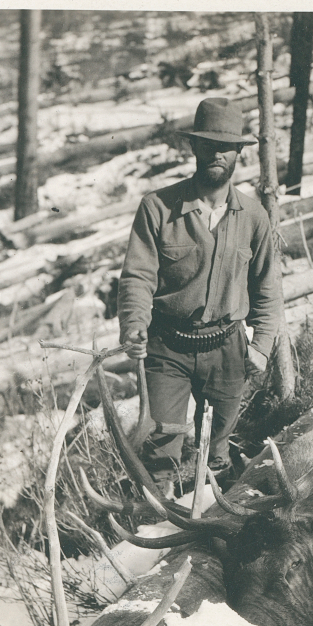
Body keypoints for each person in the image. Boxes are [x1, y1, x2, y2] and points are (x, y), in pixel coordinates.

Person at [118, 97, 283, 483]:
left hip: (227, 350)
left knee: (218, 455)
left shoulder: (254, 217)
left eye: (226, 147)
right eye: (208, 144)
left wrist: (261, 347)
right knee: (160, 454)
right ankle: (154, 539)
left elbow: (267, 288)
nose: (216, 154)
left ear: (239, 153)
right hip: (167, 348)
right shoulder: (157, 208)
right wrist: (133, 326)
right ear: (193, 146)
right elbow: (137, 277)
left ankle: (208, 530)